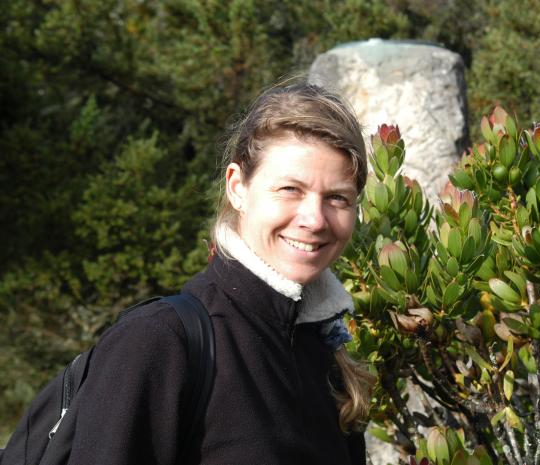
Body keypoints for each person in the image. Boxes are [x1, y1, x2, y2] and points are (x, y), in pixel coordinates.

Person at [63, 82, 374, 464]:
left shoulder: (327, 359)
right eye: (290, 189)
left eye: (337, 198)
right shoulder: (159, 342)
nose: (314, 219)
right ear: (237, 187)